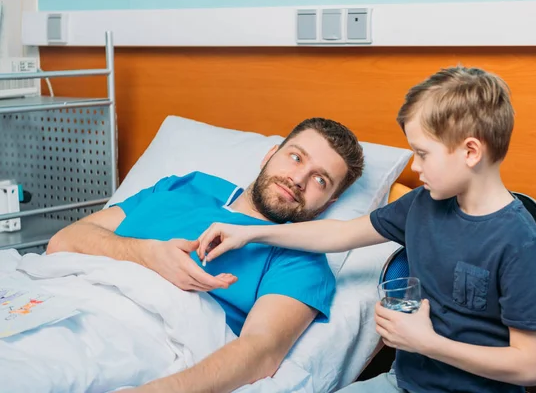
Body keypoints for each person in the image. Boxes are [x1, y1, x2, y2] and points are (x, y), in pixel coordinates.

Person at [196, 66, 536, 393]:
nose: (416, 166)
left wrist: (427, 344)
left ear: (471, 152)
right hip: (403, 383)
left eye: (423, 153)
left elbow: (530, 367)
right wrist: (251, 232)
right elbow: (338, 235)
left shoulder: (519, 243)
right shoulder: (423, 204)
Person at [46, 117, 365, 392]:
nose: (298, 179)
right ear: (270, 154)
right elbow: (63, 241)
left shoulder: (301, 256)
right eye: (296, 158)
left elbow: (260, 352)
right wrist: (146, 254)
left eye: (320, 180)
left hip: (121, 341)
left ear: (327, 204)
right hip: (56, 301)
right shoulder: (185, 187)